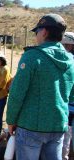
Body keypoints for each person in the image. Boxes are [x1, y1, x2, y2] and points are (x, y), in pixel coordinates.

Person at [6, 14, 74, 160]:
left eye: (37, 31)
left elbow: (17, 94)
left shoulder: (32, 56)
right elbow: (71, 95)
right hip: (58, 125)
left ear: (44, 32)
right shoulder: (70, 60)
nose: (36, 35)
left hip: (31, 126)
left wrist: (11, 120)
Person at [61, 32, 74, 160]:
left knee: (65, 139)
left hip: (68, 107)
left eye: (63, 45)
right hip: (69, 106)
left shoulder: (67, 61)